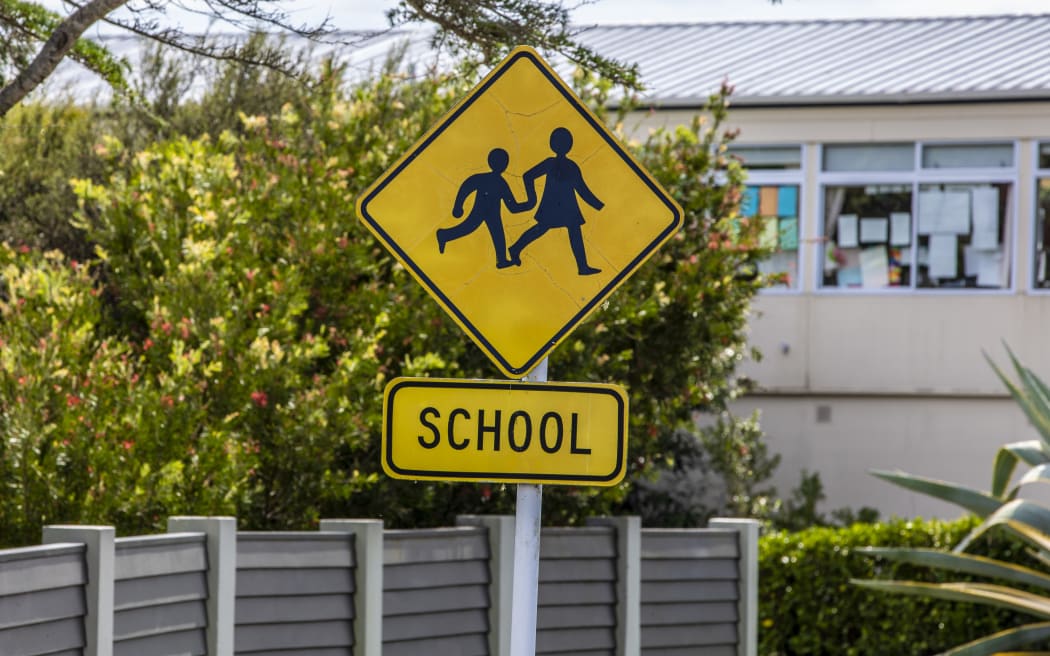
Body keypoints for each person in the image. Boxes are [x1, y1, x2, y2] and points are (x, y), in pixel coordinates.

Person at [509, 127, 604, 275]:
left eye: (564, 142)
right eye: (559, 142)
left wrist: (600, 206)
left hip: (568, 207)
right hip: (552, 205)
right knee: (541, 229)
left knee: (572, 231)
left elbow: (582, 189)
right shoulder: (550, 163)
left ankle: (582, 267)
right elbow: (528, 176)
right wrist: (532, 199)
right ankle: (515, 248)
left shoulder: (572, 166)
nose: (562, 146)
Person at [437, 147, 531, 269]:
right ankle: (444, 235)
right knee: (469, 227)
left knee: (496, 233)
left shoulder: (500, 182)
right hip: (480, 210)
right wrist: (457, 206)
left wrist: (528, 205)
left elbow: (512, 206)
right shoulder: (488, 179)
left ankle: (501, 260)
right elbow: (467, 186)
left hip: (492, 213)